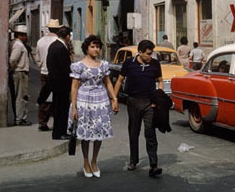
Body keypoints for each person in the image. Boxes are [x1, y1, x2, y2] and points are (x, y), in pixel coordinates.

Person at [69, 35, 119, 178]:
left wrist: (114, 99)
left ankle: (94, 161)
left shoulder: (103, 65)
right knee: (86, 133)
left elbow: (108, 83)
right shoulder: (78, 66)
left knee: (99, 131)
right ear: (86, 48)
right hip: (84, 100)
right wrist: (74, 107)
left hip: (101, 100)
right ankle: (86, 162)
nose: (96, 49)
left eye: (97, 46)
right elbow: (74, 87)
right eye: (93, 46)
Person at [113, 40, 164, 178]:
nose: (150, 56)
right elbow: (119, 80)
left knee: (150, 133)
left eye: (151, 53)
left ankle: (153, 164)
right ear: (140, 52)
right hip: (134, 102)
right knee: (134, 132)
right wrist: (114, 99)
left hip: (149, 103)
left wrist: (158, 97)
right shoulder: (129, 63)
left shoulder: (155, 64)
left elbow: (160, 81)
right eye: (148, 53)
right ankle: (133, 160)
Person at [47, 25, 73, 140]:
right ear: (67, 36)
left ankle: (58, 132)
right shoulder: (61, 48)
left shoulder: (53, 46)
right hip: (61, 84)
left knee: (58, 108)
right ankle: (60, 132)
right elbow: (65, 68)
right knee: (62, 109)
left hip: (55, 82)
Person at [35, 19, 60, 131]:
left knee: (44, 97)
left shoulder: (40, 41)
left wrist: (42, 66)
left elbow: (37, 59)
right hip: (56, 74)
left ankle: (42, 122)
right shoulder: (59, 41)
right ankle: (57, 121)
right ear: (58, 29)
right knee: (57, 98)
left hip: (44, 72)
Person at [9, 25, 32, 126]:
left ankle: (19, 117)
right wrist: (11, 69)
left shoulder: (15, 43)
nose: (26, 37)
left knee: (19, 95)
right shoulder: (18, 45)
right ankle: (20, 118)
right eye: (25, 35)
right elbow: (13, 59)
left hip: (18, 72)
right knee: (21, 96)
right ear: (21, 35)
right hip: (20, 72)